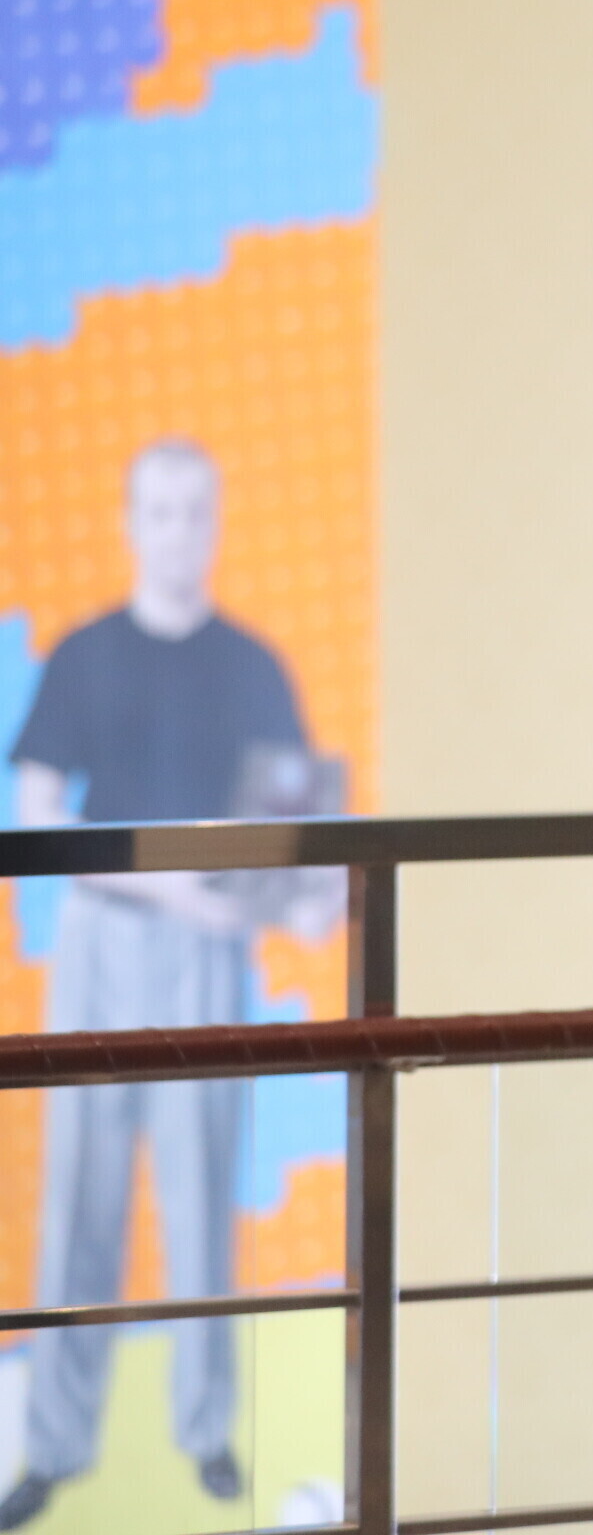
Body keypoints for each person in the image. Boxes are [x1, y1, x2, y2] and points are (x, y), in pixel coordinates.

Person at [1, 438, 319, 1530]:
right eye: (160, 511)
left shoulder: (254, 667)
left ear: (215, 523)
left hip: (207, 961)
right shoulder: (83, 655)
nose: (179, 531)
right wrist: (170, 887)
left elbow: (290, 828)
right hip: (103, 946)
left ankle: (206, 1431)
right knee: (78, 1206)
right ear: (132, 523)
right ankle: (54, 1447)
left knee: (201, 1201)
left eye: (196, 511)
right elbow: (37, 813)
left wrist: (303, 903)